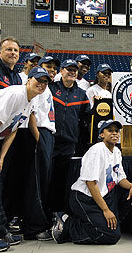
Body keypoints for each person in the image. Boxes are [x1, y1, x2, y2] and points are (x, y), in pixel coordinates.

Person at [0, 66, 51, 252]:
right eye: (38, 80)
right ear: (28, 79)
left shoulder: (30, 101)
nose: (41, 85)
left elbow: (13, 128)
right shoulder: (16, 94)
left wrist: (1, 157)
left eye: (45, 83)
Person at [51, 120, 132, 245]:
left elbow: (120, 178)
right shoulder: (96, 150)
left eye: (116, 131)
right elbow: (91, 183)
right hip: (85, 197)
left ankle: (105, 224)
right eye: (110, 130)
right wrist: (106, 210)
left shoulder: (117, 152)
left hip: (104, 194)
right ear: (102, 135)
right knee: (110, 237)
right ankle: (67, 223)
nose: (114, 134)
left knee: (130, 194)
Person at [19, 56, 60, 241]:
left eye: (54, 68)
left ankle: (35, 223)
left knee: (43, 182)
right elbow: (32, 116)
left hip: (47, 134)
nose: (51, 70)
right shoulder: (37, 87)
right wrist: (38, 141)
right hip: (39, 133)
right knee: (36, 183)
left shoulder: (47, 87)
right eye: (47, 66)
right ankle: (33, 227)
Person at [48, 59, 90, 213]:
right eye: (68, 69)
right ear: (61, 71)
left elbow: (88, 117)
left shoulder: (81, 94)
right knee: (47, 178)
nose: (72, 72)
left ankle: (59, 211)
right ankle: (46, 210)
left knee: (63, 180)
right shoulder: (51, 89)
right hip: (50, 141)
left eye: (74, 70)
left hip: (69, 143)